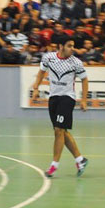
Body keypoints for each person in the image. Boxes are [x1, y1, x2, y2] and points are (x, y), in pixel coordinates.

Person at [28, 38, 89, 178]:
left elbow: (85, 79)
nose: (72, 48)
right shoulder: (48, 58)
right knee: (62, 131)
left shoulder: (76, 63)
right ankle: (80, 160)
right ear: (60, 46)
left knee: (58, 130)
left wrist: (84, 100)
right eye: (69, 46)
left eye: (73, 46)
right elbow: (41, 72)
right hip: (53, 98)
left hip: (67, 98)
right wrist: (36, 87)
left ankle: (54, 165)